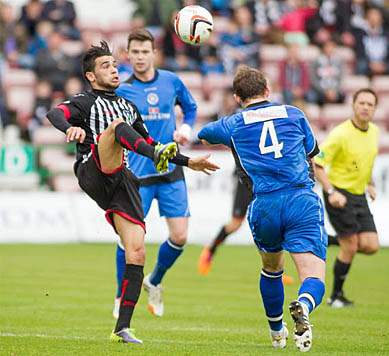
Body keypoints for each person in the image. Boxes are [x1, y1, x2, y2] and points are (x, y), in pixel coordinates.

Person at [45, 41, 218, 344]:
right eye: (105, 66)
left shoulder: (129, 106)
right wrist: (68, 129)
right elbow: (54, 113)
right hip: (93, 169)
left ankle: (121, 328)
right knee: (116, 128)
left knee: (136, 251)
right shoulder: (85, 101)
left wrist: (188, 161)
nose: (113, 69)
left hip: (123, 180)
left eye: (113, 64)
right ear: (90, 75)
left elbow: (151, 143)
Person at [198, 66, 327, 352]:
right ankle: (303, 306)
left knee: (271, 270)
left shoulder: (233, 123)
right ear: (268, 90)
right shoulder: (294, 114)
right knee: (313, 275)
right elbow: (312, 153)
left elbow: (204, 134)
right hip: (300, 199)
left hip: (264, 205)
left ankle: (276, 331)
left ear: (236, 96)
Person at [113, 28, 198, 319]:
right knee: (129, 241)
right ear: (128, 54)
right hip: (138, 174)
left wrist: (186, 128)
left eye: (144, 51)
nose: (139, 57)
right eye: (134, 52)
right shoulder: (122, 91)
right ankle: (120, 294)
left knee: (181, 236)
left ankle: (155, 280)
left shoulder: (171, 81)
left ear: (153, 53)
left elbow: (190, 107)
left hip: (171, 168)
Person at [313, 88, 380, 308]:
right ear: (353, 105)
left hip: (359, 195)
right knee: (350, 247)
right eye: (361, 103)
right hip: (339, 194)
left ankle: (330, 240)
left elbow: (366, 162)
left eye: (370, 104)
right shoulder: (341, 134)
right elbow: (318, 164)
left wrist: (369, 183)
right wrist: (331, 192)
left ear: (375, 109)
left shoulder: (375, 132)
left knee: (371, 245)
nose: (365, 107)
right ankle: (336, 296)